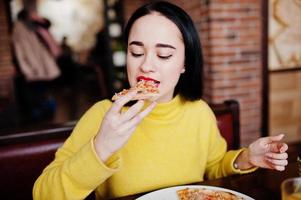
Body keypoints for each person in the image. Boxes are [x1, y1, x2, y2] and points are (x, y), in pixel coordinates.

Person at [33, 2, 288, 199]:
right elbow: (43, 194)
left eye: (163, 55)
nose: (146, 65)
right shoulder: (103, 116)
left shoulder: (198, 112)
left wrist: (247, 158)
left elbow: (212, 167)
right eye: (136, 52)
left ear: (184, 64)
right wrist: (101, 147)